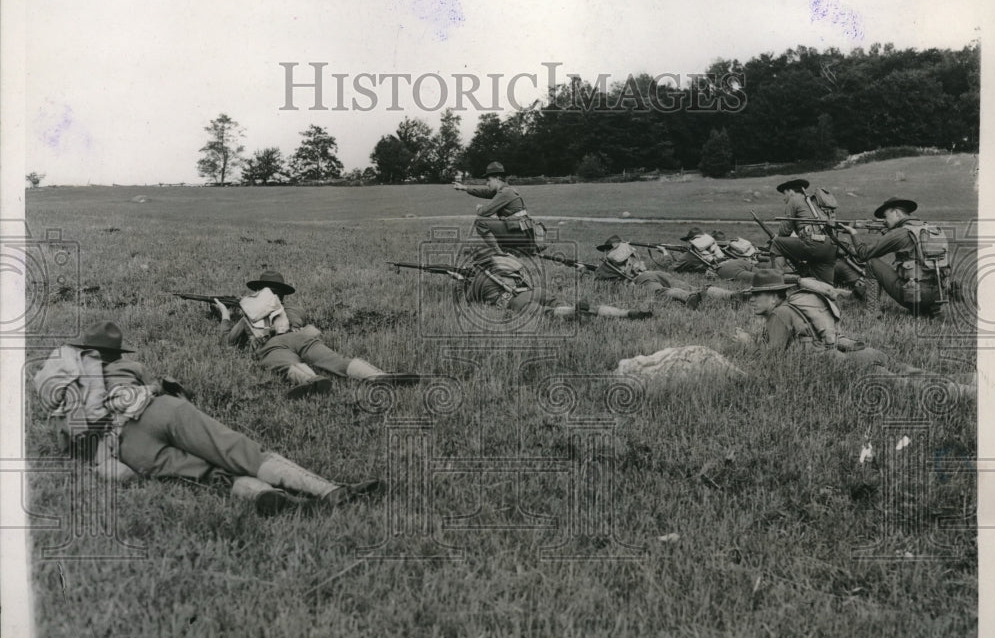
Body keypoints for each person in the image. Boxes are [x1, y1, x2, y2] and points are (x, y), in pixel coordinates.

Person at [32, 321, 379, 515]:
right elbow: (159, 388)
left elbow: (72, 445)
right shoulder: (128, 366)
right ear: (113, 352)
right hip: (159, 410)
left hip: (127, 447)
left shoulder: (68, 393)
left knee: (208, 474)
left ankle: (262, 497)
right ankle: (327, 491)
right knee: (238, 450)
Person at [731, 270, 974, 398]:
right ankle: (969, 379)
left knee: (906, 386)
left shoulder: (779, 314)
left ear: (774, 295)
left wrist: (746, 345)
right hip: (859, 350)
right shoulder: (800, 301)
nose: (751, 300)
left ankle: (967, 393)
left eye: (756, 295)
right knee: (910, 372)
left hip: (844, 363)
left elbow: (773, 360)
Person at [216, 271, 420, 398]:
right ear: (283, 294)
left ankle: (311, 381)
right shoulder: (295, 309)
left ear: (258, 293)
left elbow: (228, 342)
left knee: (287, 365)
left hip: (273, 344)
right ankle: (377, 375)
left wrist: (225, 314)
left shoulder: (247, 318)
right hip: (302, 337)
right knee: (336, 360)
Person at [840, 197, 950, 317]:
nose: (884, 221)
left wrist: (854, 233)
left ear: (896, 212)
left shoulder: (901, 232)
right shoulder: (930, 229)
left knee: (872, 263)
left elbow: (863, 254)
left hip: (915, 295)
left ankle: (872, 311)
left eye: (885, 216)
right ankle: (929, 310)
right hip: (939, 294)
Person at [463, 251, 653, 320]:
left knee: (551, 315)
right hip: (535, 291)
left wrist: (464, 284)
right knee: (560, 305)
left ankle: (574, 312)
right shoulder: (503, 266)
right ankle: (625, 313)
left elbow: (468, 301)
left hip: (516, 300)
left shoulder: (478, 279)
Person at [451, 162, 540, 256]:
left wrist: (479, 208)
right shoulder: (506, 190)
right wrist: (464, 188)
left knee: (480, 222)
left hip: (520, 234)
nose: (487, 184)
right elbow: (485, 192)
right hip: (522, 234)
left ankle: (499, 253)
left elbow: (485, 212)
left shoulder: (505, 193)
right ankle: (512, 249)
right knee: (483, 247)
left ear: (497, 179)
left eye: (488, 180)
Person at [594, 236, 706, 307]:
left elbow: (599, 278)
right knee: (690, 287)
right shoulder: (631, 252)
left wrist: (584, 270)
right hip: (655, 273)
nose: (605, 252)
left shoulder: (610, 262)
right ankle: (717, 293)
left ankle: (687, 297)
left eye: (606, 249)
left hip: (642, 279)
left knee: (660, 291)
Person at [769, 178, 838, 284]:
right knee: (825, 286)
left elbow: (784, 231)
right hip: (830, 247)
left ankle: (775, 282)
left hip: (813, 243)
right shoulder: (814, 204)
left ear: (791, 191)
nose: (784, 198)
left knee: (777, 244)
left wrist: (776, 237)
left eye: (784, 193)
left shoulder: (793, 200)